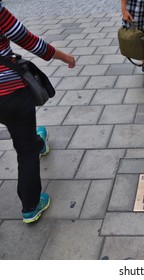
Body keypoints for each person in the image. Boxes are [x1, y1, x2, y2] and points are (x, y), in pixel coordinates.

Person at [0, 3, 75, 223]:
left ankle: (38, 141)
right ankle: (31, 206)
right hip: (8, 92)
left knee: (20, 129)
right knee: (25, 151)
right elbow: (28, 40)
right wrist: (65, 57)